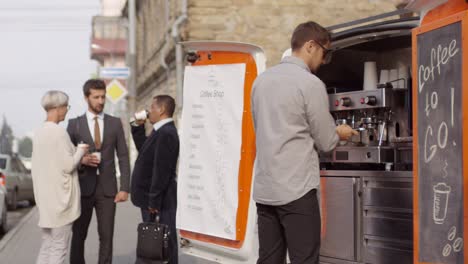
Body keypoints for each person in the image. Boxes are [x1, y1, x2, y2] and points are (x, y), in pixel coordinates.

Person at [251, 21, 357, 264]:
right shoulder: (311, 84)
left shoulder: (261, 82)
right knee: (305, 260)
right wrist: (340, 132)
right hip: (296, 190)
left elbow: (263, 129)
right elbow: (327, 141)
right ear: (311, 46)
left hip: (266, 189)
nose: (324, 60)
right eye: (325, 53)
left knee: (268, 259)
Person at [67, 79, 131, 264]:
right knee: (79, 236)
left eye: (103, 97)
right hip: (82, 189)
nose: (101, 101)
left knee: (107, 237)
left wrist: (125, 187)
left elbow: (124, 157)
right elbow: (66, 157)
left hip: (108, 190)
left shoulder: (115, 123)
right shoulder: (74, 125)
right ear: (86, 98)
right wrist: (82, 160)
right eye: (96, 97)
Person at [32, 90, 88, 264]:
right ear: (57, 108)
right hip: (60, 201)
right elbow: (68, 165)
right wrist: (81, 150)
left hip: (45, 200)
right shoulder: (59, 133)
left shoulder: (39, 132)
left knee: (47, 244)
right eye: (66, 107)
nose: (66, 111)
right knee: (59, 247)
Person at [130, 95, 179, 264]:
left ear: (162, 110)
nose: (149, 111)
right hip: (154, 199)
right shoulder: (159, 131)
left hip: (160, 201)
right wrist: (136, 126)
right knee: (155, 243)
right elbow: (144, 150)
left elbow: (161, 171)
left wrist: (154, 201)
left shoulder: (166, 133)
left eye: (152, 108)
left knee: (164, 242)